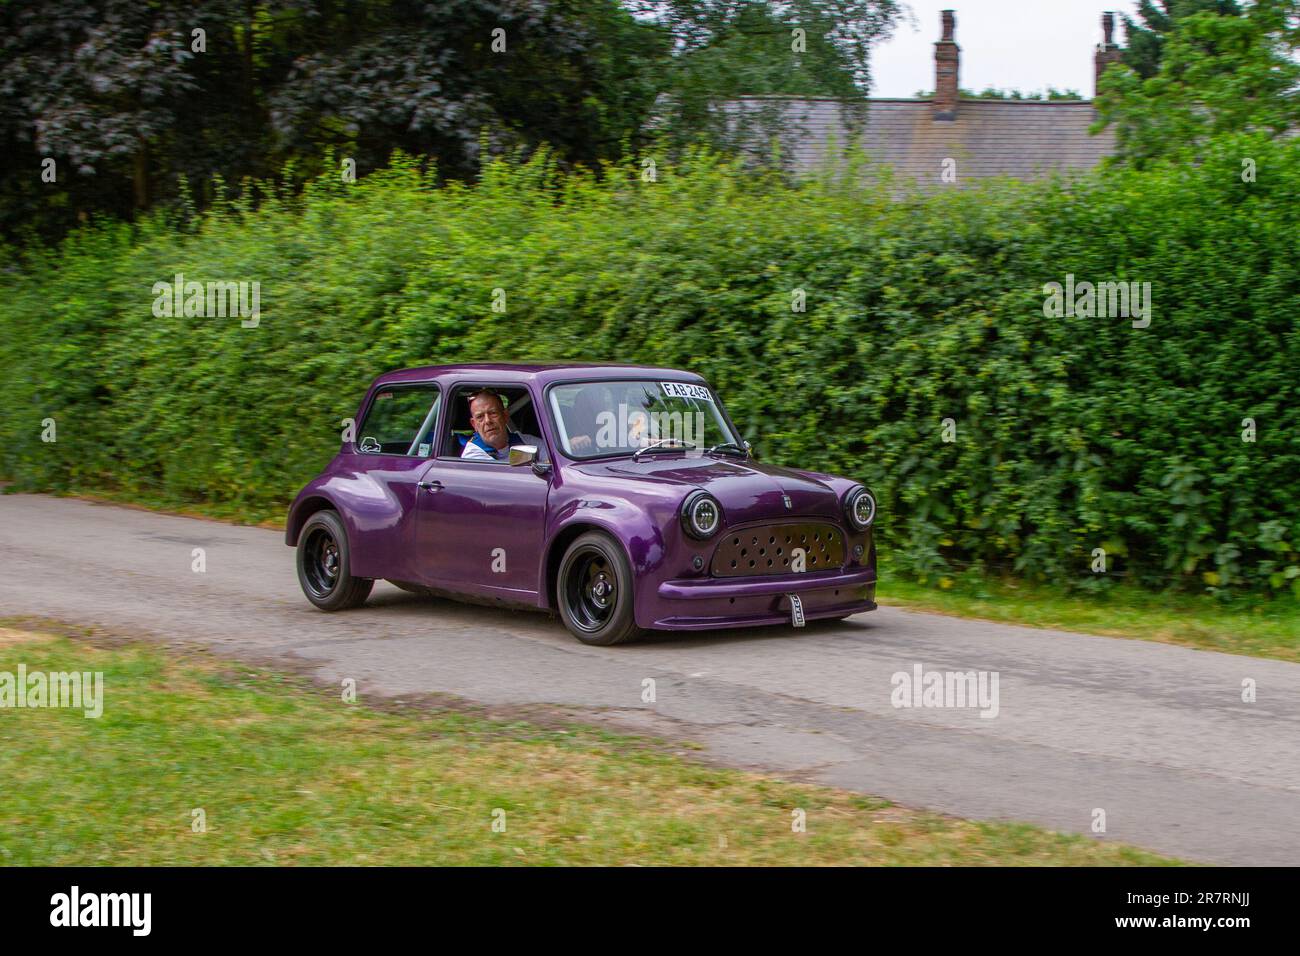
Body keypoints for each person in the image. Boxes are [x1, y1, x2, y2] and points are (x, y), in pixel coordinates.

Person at [460, 389, 541, 461]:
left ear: (505, 416)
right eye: (480, 417)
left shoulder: (525, 440)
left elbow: (551, 457)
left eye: (493, 413)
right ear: (474, 424)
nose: (488, 421)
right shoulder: (472, 455)